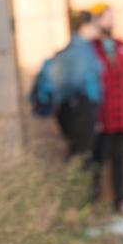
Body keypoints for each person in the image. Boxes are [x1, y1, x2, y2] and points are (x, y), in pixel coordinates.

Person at [89, 3, 123, 214]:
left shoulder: (122, 46)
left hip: (121, 114)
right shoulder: (91, 48)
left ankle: (120, 200)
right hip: (102, 117)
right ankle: (93, 203)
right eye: (105, 17)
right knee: (97, 160)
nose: (110, 22)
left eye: (112, 17)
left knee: (119, 158)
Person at [51, 10, 103, 159]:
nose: (97, 29)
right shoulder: (80, 51)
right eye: (94, 25)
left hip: (72, 108)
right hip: (81, 108)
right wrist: (92, 108)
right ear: (84, 26)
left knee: (77, 153)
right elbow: (79, 81)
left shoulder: (75, 49)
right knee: (82, 157)